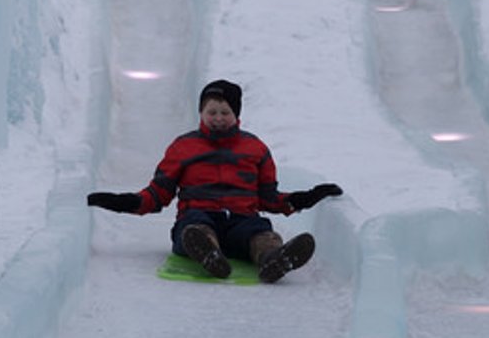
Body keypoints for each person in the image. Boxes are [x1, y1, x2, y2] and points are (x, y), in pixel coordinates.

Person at [85, 79, 344, 282]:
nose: (218, 118)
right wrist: (120, 202)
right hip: (197, 215)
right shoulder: (183, 147)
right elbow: (156, 196)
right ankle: (207, 252)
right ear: (201, 113)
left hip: (241, 219)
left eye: (225, 112)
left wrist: (306, 197)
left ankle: (273, 259)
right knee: (196, 227)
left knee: (259, 232)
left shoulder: (255, 149)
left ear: (236, 115)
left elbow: (269, 199)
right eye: (212, 112)